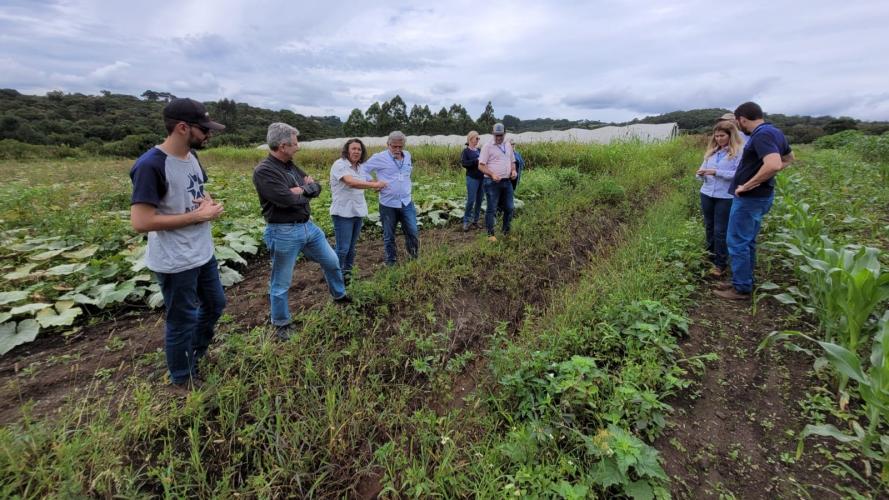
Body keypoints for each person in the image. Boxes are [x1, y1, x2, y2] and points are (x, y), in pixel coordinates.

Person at [129, 97, 227, 393]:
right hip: (175, 259)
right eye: (204, 129)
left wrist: (206, 203)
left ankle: (193, 356)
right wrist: (195, 216)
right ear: (183, 127)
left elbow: (197, 189)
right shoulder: (151, 165)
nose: (208, 134)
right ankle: (182, 378)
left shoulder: (191, 158)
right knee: (182, 318)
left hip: (201, 251)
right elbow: (141, 221)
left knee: (215, 304)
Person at [253, 122, 350, 340]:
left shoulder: (290, 166)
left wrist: (304, 189)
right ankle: (281, 323)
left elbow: (316, 187)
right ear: (282, 145)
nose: (298, 147)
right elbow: (286, 199)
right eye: (295, 144)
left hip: (308, 227)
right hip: (283, 231)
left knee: (332, 261)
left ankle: (339, 295)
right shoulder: (265, 171)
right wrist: (304, 190)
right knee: (281, 281)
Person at [715, 102, 794, 300]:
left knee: (737, 241)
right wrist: (763, 178)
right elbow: (789, 158)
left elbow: (775, 164)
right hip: (760, 197)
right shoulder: (775, 132)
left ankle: (741, 288)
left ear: (742, 119)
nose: (737, 127)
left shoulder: (762, 135)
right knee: (747, 240)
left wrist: (748, 184)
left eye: (737, 122)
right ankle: (743, 280)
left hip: (750, 199)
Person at [329, 139, 386, 284]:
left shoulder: (360, 167)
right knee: (342, 249)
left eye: (359, 150)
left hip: (357, 211)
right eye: (353, 149)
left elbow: (368, 180)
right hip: (343, 213)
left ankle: (347, 276)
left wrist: (378, 185)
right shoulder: (340, 164)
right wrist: (374, 185)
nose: (356, 152)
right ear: (347, 150)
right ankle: (336, 277)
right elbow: (351, 182)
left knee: (352, 248)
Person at [359, 131, 419, 265]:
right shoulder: (379, 157)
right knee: (389, 235)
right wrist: (373, 183)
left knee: (412, 231)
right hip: (388, 204)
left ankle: (413, 259)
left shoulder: (407, 155)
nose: (397, 149)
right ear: (388, 144)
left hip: (406, 202)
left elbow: (406, 174)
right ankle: (391, 262)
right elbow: (363, 169)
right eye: (394, 146)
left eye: (400, 146)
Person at [696, 121, 743, 278]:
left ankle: (720, 264)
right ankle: (710, 257)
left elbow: (738, 175)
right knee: (709, 227)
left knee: (720, 230)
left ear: (731, 135)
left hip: (725, 196)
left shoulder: (738, 153)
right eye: (716, 136)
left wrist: (716, 172)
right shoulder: (712, 152)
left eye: (722, 135)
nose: (718, 139)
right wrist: (700, 174)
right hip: (707, 193)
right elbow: (702, 169)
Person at [478, 122, 517, 242]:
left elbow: (512, 161)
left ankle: (506, 232)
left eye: (501, 135)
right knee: (492, 208)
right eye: (496, 135)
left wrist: (514, 171)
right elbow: (481, 166)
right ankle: (490, 235)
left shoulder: (508, 145)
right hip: (491, 182)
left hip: (506, 181)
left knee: (509, 208)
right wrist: (492, 174)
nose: (499, 137)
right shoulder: (487, 146)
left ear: (504, 133)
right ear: (493, 134)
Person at [460, 130, 483, 231]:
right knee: (471, 200)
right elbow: (464, 163)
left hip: (482, 178)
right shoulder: (466, 151)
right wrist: (476, 161)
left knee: (479, 200)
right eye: (476, 138)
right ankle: (466, 221)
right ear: (470, 139)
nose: (478, 140)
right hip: (472, 178)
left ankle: (475, 221)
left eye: (478, 138)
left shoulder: (479, 150)